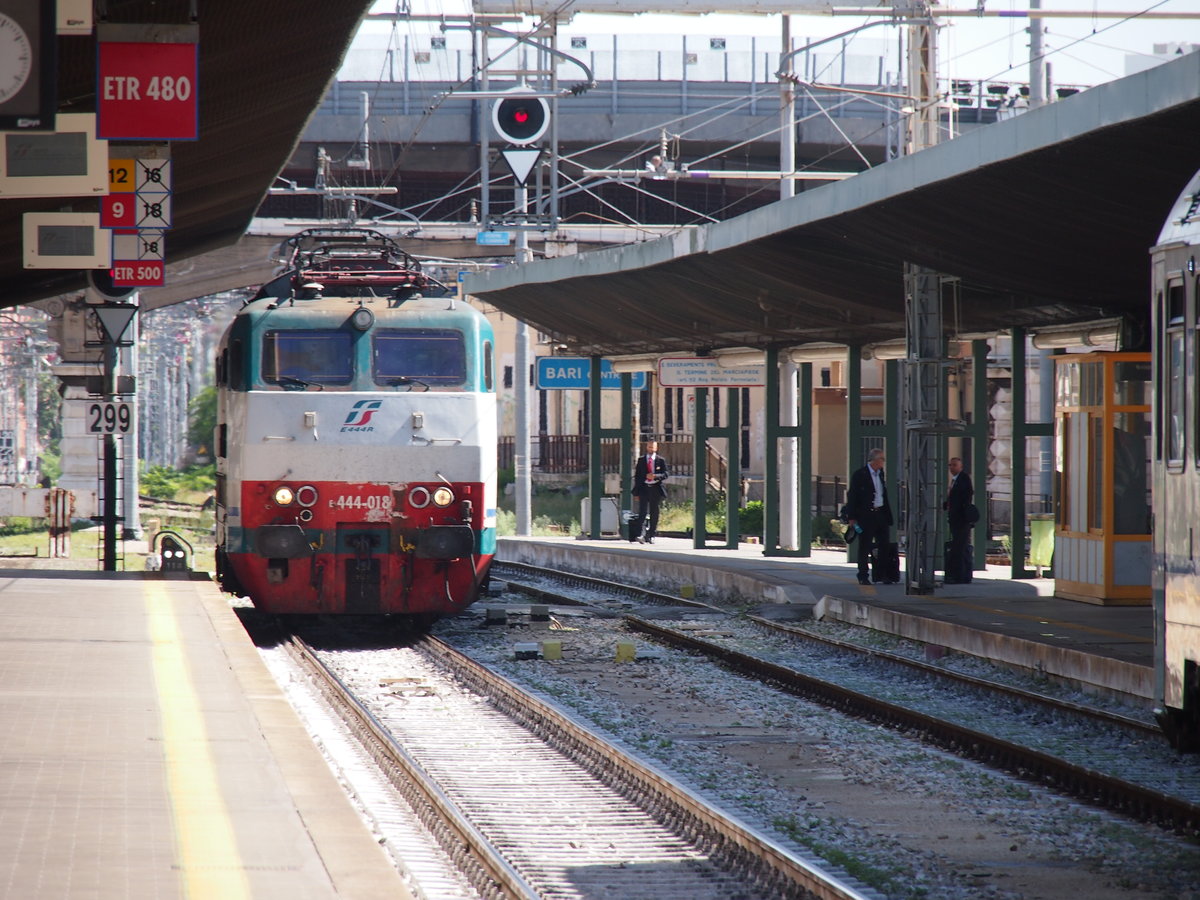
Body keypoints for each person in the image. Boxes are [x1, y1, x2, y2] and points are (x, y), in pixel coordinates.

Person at [846, 448, 895, 585]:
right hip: (865, 516)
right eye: (882, 459)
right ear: (875, 460)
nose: (883, 462)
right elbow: (853, 496)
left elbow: (883, 494)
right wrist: (852, 517)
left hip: (880, 514)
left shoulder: (880, 474)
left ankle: (882, 574)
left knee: (884, 545)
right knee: (865, 545)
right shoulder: (860, 475)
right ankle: (863, 575)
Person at [943, 456, 974, 584]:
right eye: (950, 465)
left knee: (960, 548)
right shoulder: (954, 480)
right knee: (958, 547)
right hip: (955, 519)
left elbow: (965, 496)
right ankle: (956, 574)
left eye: (954, 465)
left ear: (960, 467)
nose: (952, 467)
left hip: (961, 520)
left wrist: (958, 510)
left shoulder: (963, 478)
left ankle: (960, 575)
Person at [633, 440, 669, 543]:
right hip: (644, 488)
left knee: (654, 512)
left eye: (653, 447)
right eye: (649, 447)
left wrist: (656, 476)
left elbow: (666, 474)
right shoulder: (641, 460)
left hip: (655, 488)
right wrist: (636, 492)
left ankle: (651, 535)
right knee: (642, 511)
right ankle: (640, 534)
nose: (651, 449)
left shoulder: (660, 460)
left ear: (656, 448)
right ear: (646, 447)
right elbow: (637, 476)